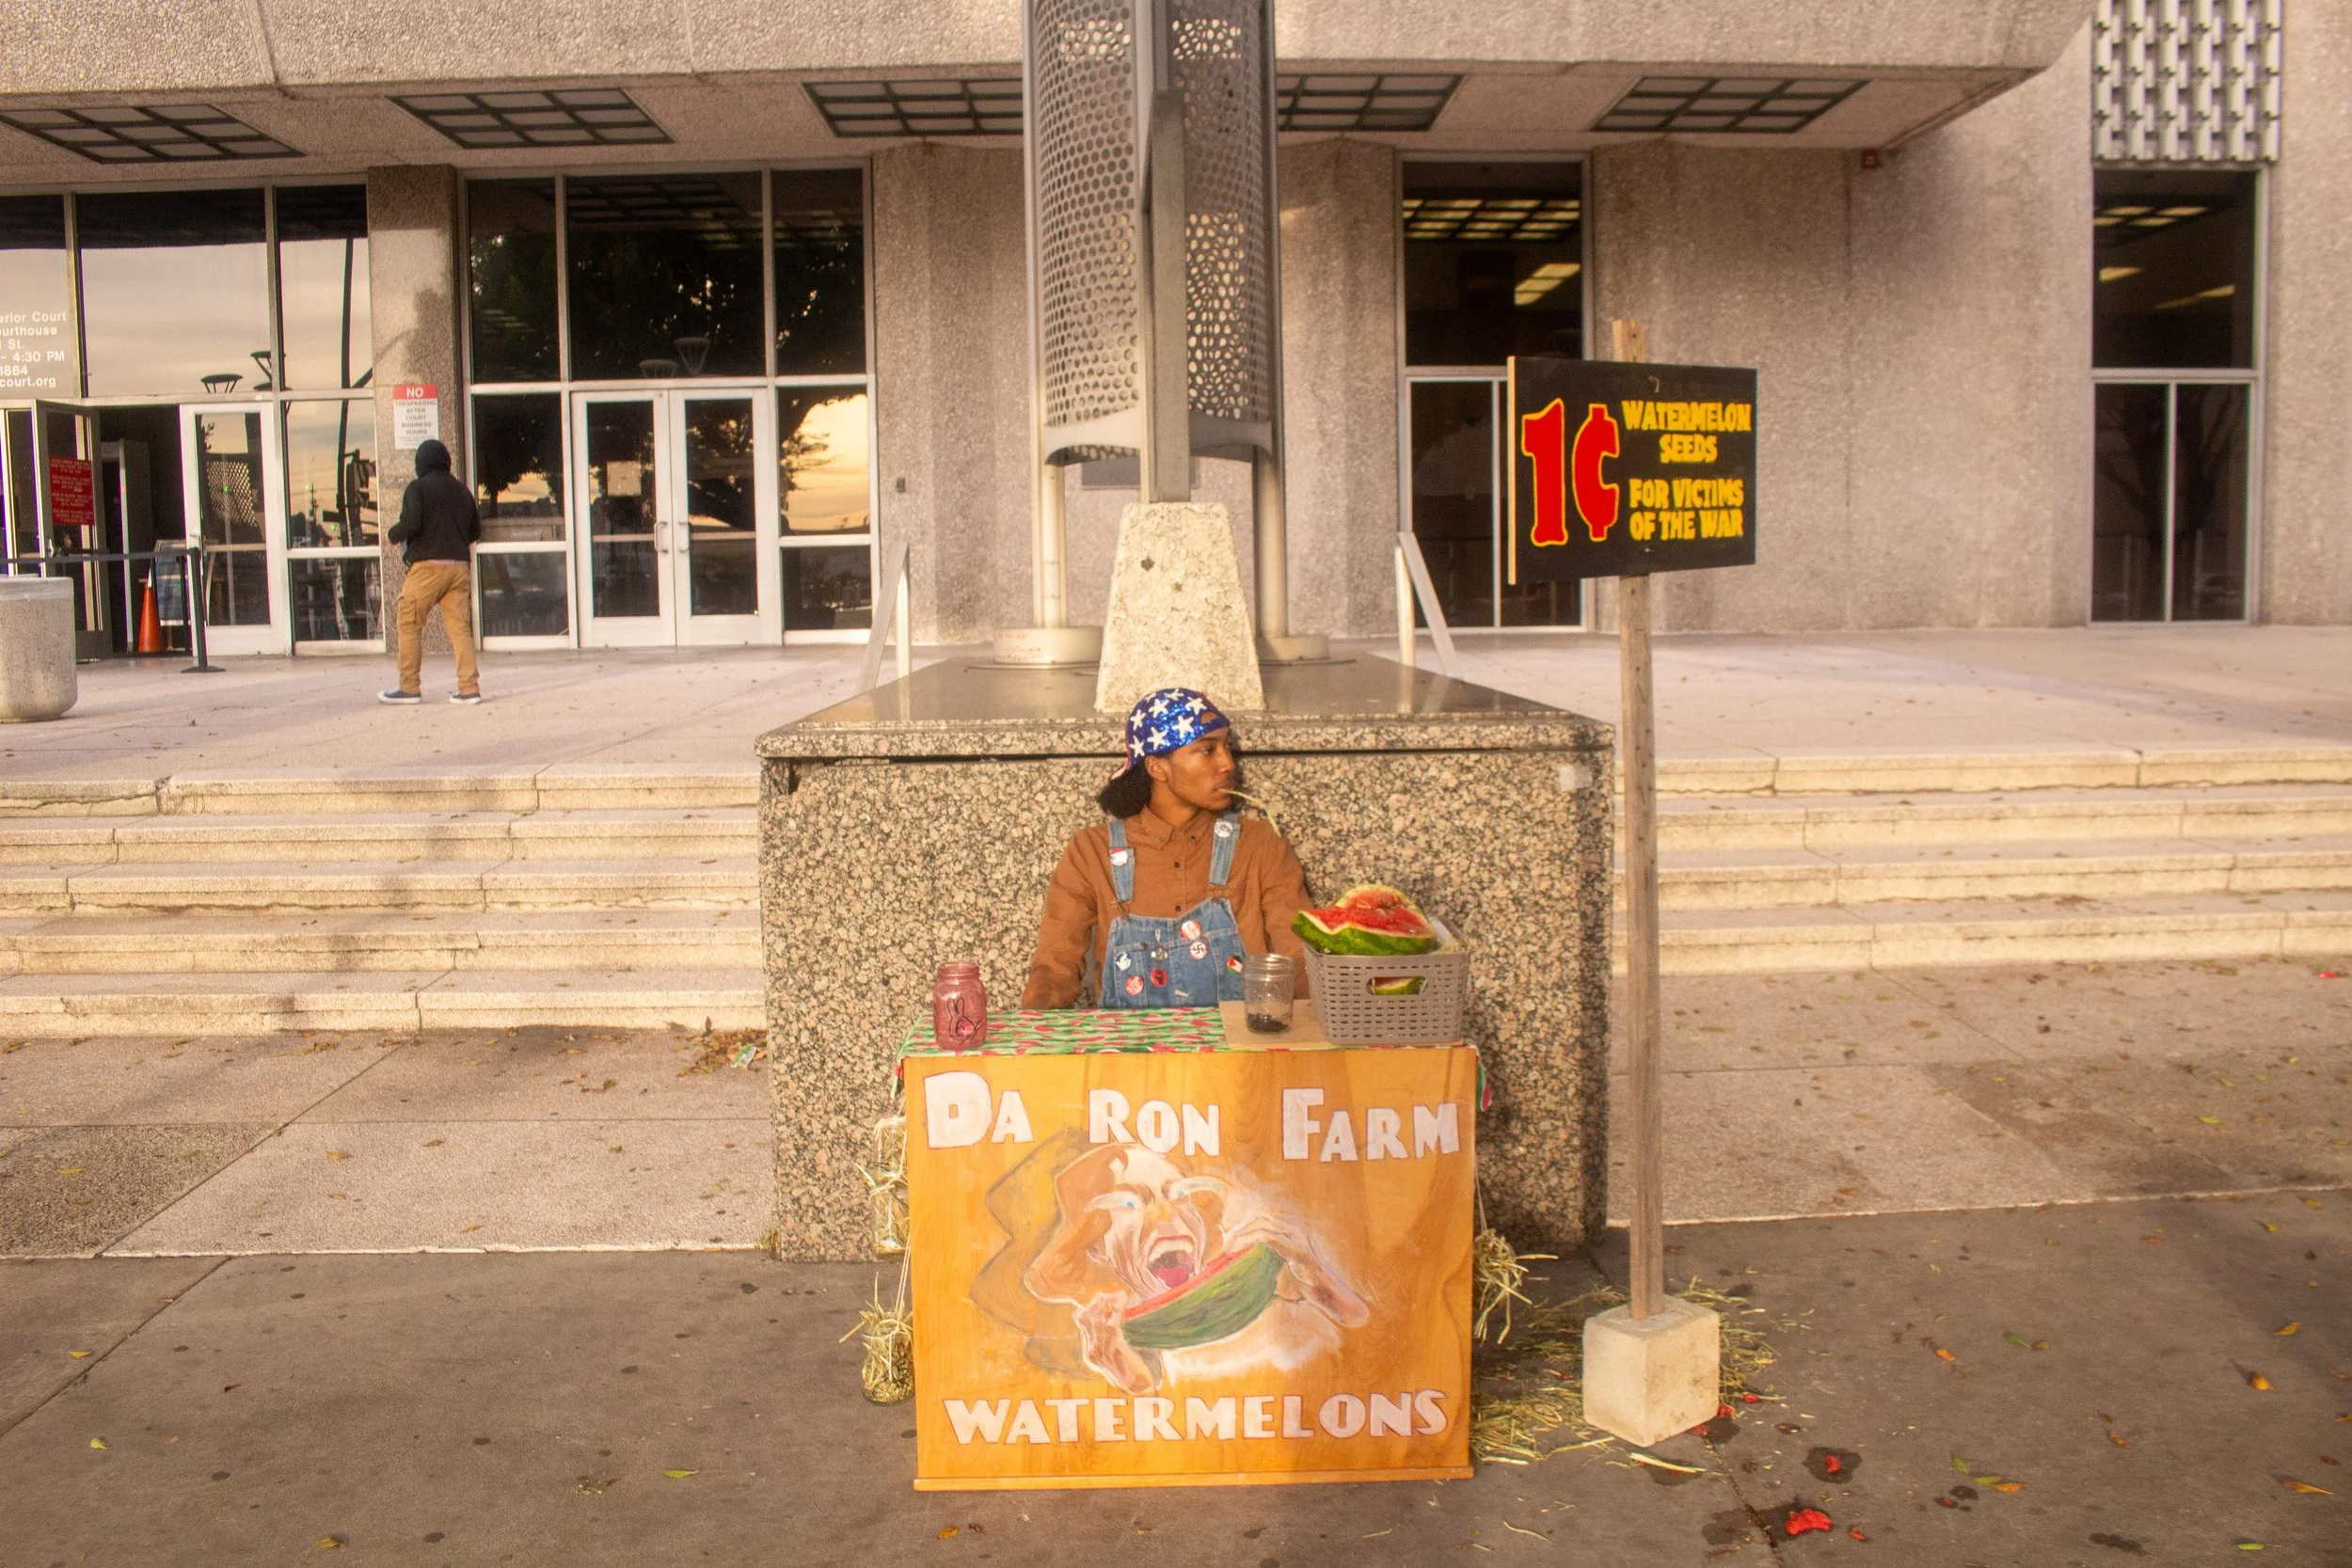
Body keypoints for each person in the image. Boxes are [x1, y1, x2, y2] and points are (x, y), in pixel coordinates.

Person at [1024, 688, 1311, 1009]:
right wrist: (1033, 1030)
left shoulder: (1260, 846)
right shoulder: (1092, 851)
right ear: (1157, 767)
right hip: (1128, 1056)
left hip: (1236, 1056)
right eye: (1207, 750)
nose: (1228, 763)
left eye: (1227, 747)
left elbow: (1300, 958)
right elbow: (1054, 966)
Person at [379, 437, 483, 705]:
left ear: (421, 463)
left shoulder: (418, 488)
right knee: (460, 629)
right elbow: (475, 532)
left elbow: (411, 523)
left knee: (409, 622)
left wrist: (393, 534)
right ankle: (469, 688)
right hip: (459, 568)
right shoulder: (463, 491)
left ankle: (409, 687)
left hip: (426, 568)